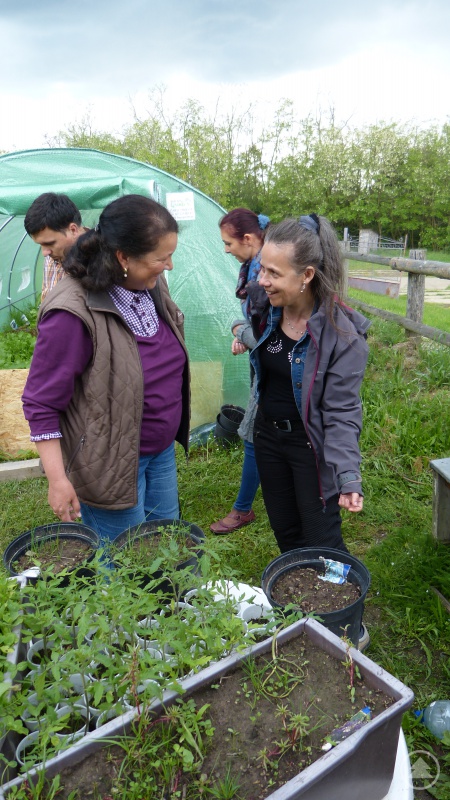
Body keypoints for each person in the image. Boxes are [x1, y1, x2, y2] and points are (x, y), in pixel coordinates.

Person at [22, 194, 190, 545]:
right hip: (108, 464)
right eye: (161, 258)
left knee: (166, 547)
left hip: (159, 450)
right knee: (124, 560)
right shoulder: (71, 312)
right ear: (123, 257)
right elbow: (41, 403)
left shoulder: (148, 284)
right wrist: (57, 480)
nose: (169, 265)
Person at [250, 214, 371, 648]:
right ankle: (304, 610)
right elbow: (255, 338)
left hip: (311, 449)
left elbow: (342, 414)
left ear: (306, 275)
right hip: (268, 440)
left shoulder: (342, 337)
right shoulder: (264, 308)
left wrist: (347, 476)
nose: (261, 280)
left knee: (324, 542)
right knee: (286, 532)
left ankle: (346, 623)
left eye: (272, 272)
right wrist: (239, 332)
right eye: (261, 268)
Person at [210, 208, 270, 534]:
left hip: (275, 369)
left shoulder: (265, 272)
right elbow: (259, 325)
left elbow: (267, 337)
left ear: (248, 239)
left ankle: (243, 509)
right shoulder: (254, 265)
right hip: (266, 364)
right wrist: (246, 334)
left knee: (251, 435)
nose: (225, 250)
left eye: (228, 243)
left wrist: (238, 329)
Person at [24, 192, 87, 300]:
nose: (45, 253)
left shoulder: (103, 260)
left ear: (73, 230)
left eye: (50, 243)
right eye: (40, 245)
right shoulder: (52, 258)